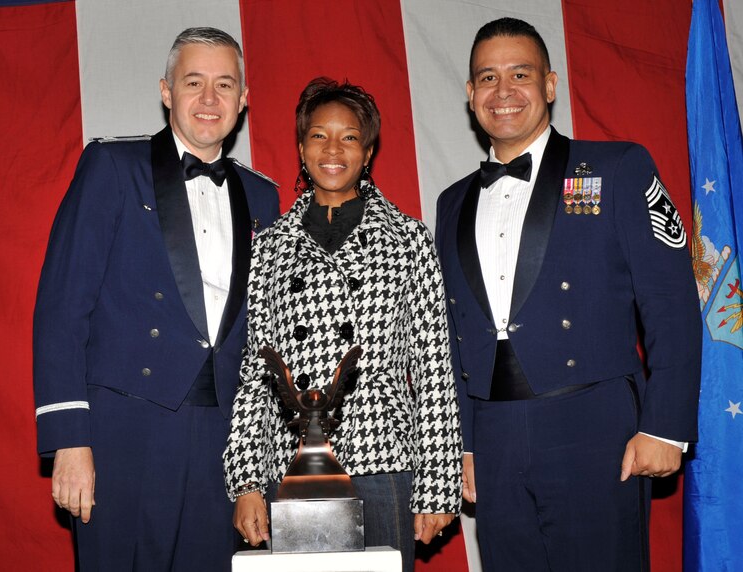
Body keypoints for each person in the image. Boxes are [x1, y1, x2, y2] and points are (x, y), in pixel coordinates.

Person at [434, 17, 701, 571]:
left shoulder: (617, 168)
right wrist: (464, 444)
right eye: (487, 77)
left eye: (520, 74)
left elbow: (671, 304)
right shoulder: (452, 202)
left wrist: (665, 426)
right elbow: (453, 338)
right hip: (496, 433)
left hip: (595, 426)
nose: (503, 91)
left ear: (550, 86)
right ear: (469, 94)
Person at [32, 27, 280, 571]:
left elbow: (265, 336)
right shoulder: (113, 167)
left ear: (243, 100)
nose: (209, 100)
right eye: (194, 83)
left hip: (223, 437)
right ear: (166, 91)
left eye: (224, 85)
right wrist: (69, 440)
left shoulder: (264, 195)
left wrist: (256, 466)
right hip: (126, 430)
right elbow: (61, 308)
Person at [224, 78, 462, 572]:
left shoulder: (409, 240)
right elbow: (255, 372)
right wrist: (246, 481)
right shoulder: (269, 247)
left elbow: (435, 367)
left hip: (383, 464)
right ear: (300, 147)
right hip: (289, 465)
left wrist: (438, 483)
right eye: (318, 135)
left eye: (349, 137)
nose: (333, 149)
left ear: (369, 149)